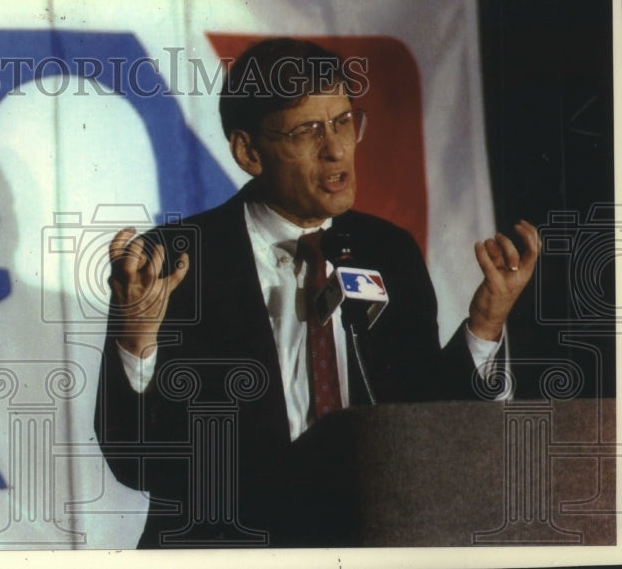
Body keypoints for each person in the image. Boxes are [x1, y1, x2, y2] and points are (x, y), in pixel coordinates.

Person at [94, 37, 540, 548]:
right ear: (248, 151)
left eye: (344, 122)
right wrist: (136, 342)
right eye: (308, 131)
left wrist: (486, 324)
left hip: (371, 540)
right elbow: (136, 461)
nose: (336, 149)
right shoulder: (175, 261)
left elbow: (425, 424)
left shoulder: (386, 251)